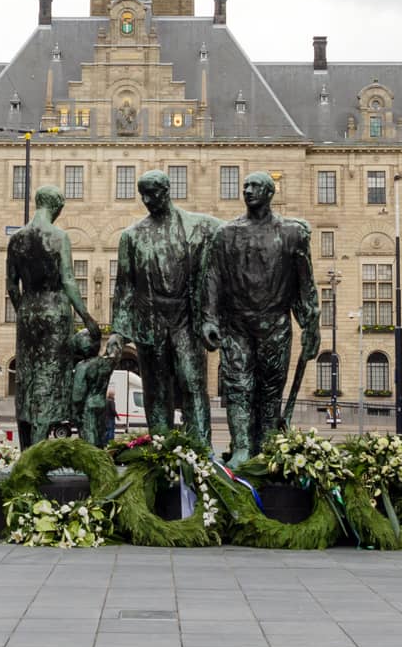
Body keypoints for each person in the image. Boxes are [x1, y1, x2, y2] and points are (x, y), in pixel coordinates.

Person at [201, 172, 320, 465]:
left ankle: (267, 445)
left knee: (269, 389)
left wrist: (310, 323)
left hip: (275, 324)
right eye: (245, 186)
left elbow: (306, 283)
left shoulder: (293, 233)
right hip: (237, 324)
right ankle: (241, 447)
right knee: (238, 387)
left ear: (269, 193)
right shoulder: (226, 234)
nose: (248, 191)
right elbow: (213, 277)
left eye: (255, 187)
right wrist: (210, 319)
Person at [109, 170, 222, 448]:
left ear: (167, 190)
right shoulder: (132, 236)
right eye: (143, 194)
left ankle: (200, 450)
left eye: (153, 193)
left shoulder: (200, 226)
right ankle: (161, 451)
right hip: (150, 322)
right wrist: (118, 332)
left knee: (192, 383)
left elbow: (238, 232)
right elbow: (124, 288)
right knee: (156, 391)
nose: (147, 200)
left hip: (186, 319)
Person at [6, 185, 97, 447]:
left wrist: (23, 310)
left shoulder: (17, 238)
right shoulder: (58, 236)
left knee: (26, 377)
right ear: (57, 207)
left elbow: (11, 286)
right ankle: (39, 447)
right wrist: (86, 317)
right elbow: (68, 280)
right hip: (55, 310)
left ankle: (26, 448)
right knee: (49, 377)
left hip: (27, 312)